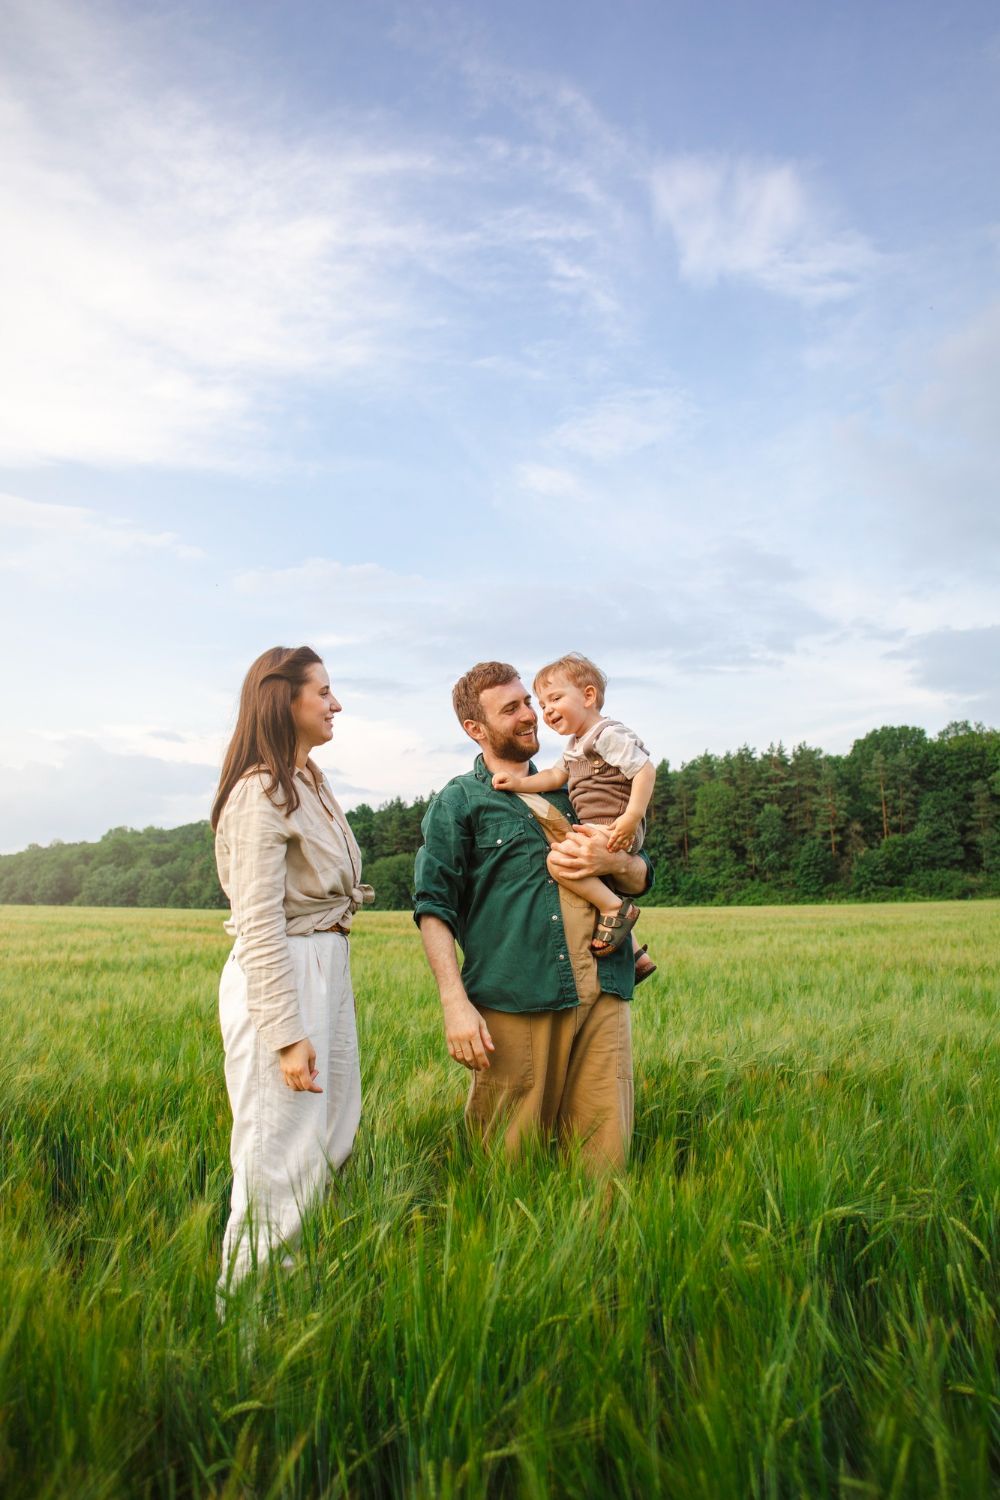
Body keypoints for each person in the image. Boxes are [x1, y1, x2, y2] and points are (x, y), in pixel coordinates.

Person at [413, 661, 653, 1171]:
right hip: (517, 995)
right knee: (506, 1163)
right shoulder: (461, 801)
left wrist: (617, 862)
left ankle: (596, 1249)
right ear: (474, 729)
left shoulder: (579, 783)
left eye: (528, 702)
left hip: (604, 989)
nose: (530, 716)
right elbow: (433, 906)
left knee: (604, 1164)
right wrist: (455, 1004)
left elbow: (640, 876)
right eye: (512, 709)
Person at [211, 646, 373, 1300]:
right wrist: (285, 1031)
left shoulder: (311, 780)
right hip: (286, 972)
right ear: (287, 701)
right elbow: (257, 920)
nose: (336, 704)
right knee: (277, 1158)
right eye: (324, 692)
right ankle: (245, 1332)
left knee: (330, 1139)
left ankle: (293, 1305)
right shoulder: (258, 790)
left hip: (328, 962)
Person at [491, 652, 656, 982]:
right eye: (543, 704)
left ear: (588, 696)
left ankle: (615, 910)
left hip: (615, 825)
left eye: (555, 698)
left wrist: (631, 817)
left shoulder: (608, 735)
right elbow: (554, 777)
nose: (547, 710)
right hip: (600, 826)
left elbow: (644, 769)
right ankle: (636, 955)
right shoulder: (575, 746)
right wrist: (519, 784)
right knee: (590, 875)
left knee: (559, 862)